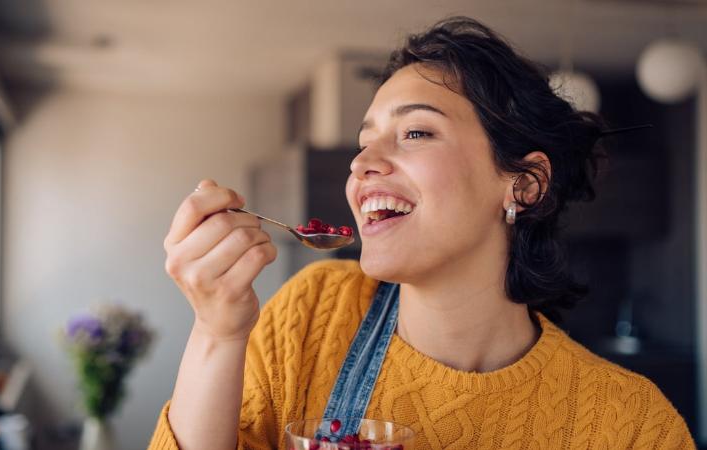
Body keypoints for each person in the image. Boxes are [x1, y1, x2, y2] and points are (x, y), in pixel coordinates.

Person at [149, 16, 695, 450]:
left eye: (415, 131)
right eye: (365, 140)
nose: (363, 163)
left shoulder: (630, 425)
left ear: (524, 185)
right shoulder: (312, 314)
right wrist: (217, 334)